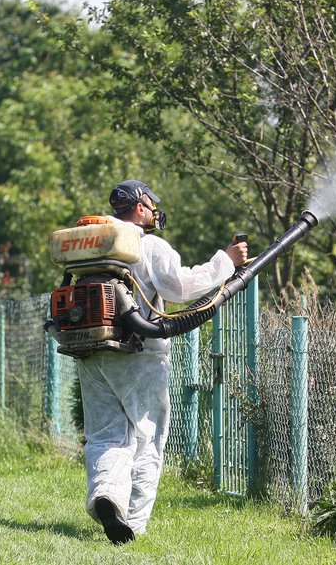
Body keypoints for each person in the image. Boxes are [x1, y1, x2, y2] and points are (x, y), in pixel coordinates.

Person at [78, 179, 248, 544]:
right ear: (140, 206)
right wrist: (226, 262)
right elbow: (178, 287)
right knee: (147, 437)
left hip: (90, 351)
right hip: (138, 354)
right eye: (152, 205)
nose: (155, 212)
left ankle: (107, 495)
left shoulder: (91, 243)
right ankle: (133, 526)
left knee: (106, 435)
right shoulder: (147, 243)